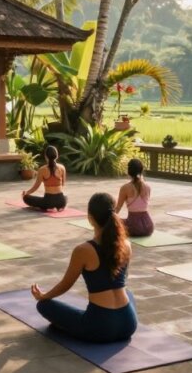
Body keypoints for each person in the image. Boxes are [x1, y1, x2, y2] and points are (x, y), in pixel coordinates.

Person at [30, 193, 137, 343]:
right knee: (127, 292)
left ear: (90, 218)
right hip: (129, 324)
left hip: (99, 329)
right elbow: (122, 279)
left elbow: (65, 285)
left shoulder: (83, 250)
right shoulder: (126, 245)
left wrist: (44, 296)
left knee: (44, 306)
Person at [115, 158, 154, 237]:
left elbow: (118, 208)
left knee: (116, 223)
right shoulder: (148, 187)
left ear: (129, 171)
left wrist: (107, 219)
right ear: (141, 170)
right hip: (148, 226)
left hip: (133, 227)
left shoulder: (125, 188)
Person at [22, 146, 67, 211]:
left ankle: (49, 207)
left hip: (48, 202)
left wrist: (26, 193)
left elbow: (36, 187)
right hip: (61, 201)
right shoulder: (62, 168)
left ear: (46, 156)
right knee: (65, 197)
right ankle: (59, 207)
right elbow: (62, 184)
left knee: (26, 198)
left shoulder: (42, 169)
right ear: (57, 156)